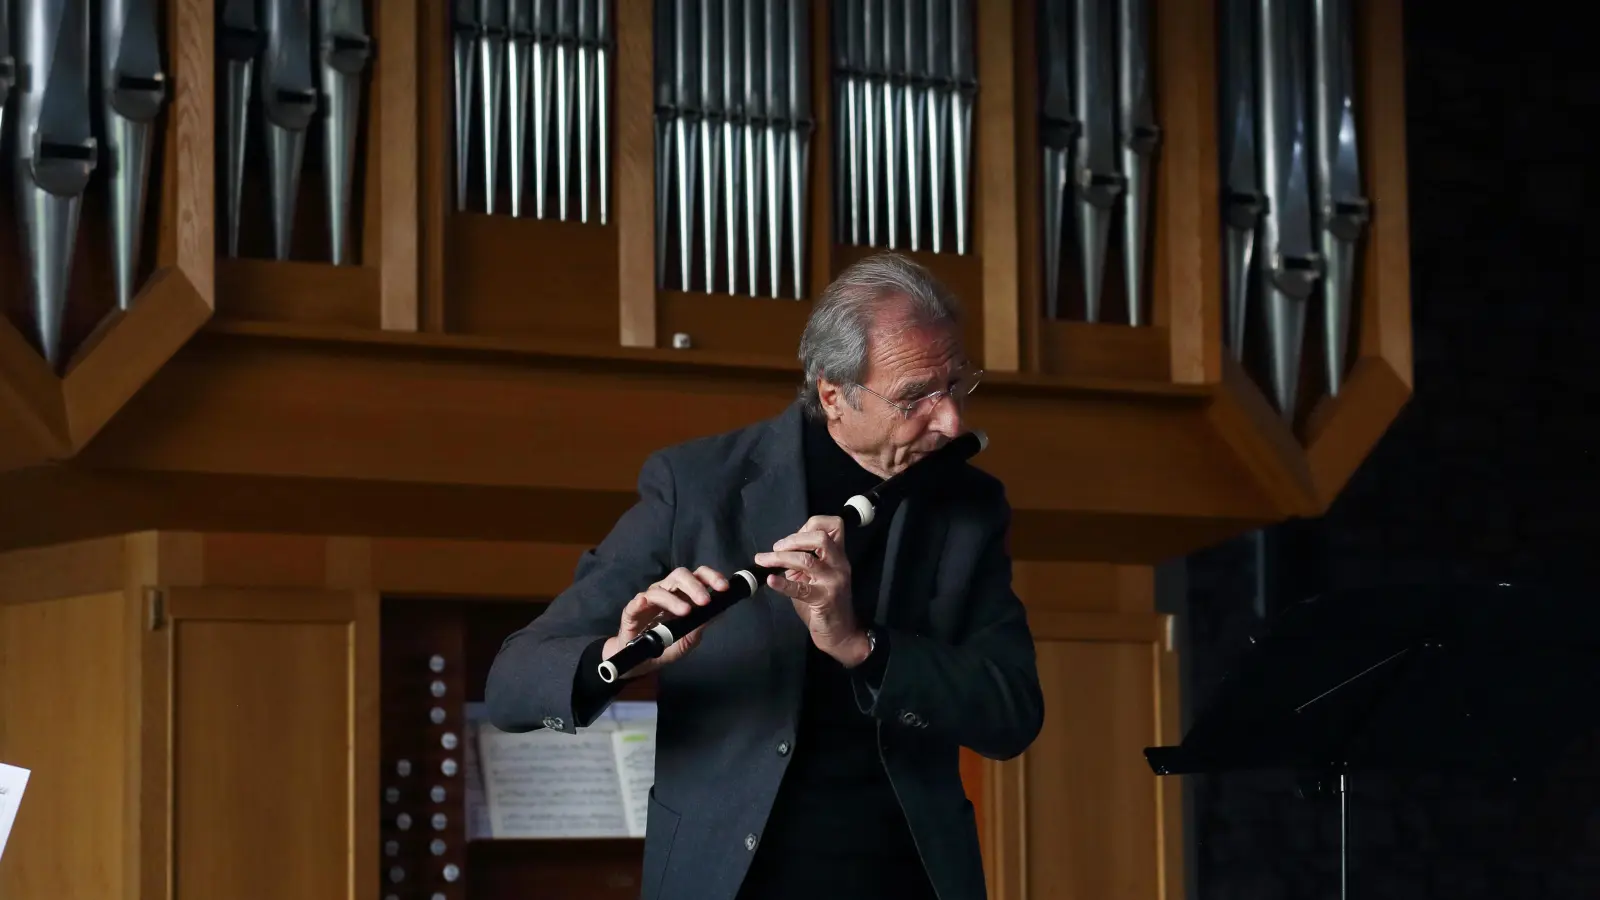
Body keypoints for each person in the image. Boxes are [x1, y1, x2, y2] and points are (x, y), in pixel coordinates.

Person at [485, 252, 1044, 900]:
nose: (952, 423)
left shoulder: (967, 506)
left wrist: (862, 646)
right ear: (833, 394)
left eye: (957, 386)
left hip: (900, 878)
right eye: (916, 397)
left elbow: (1012, 712)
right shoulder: (697, 487)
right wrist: (618, 658)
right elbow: (512, 684)